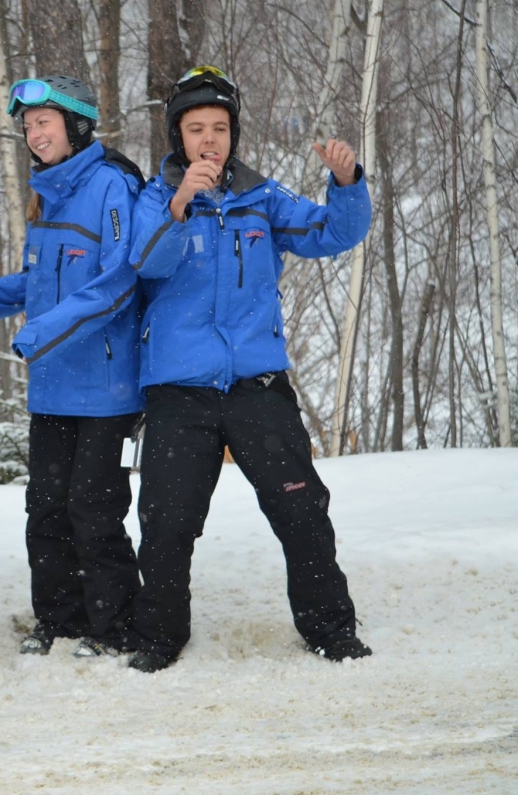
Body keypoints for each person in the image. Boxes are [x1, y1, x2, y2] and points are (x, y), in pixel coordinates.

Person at [125, 66, 373, 673]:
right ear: (176, 138)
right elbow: (144, 263)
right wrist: (182, 204)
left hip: (258, 388)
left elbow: (333, 231)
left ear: (233, 134)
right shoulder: (154, 199)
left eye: (219, 128)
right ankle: (159, 639)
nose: (208, 140)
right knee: (167, 523)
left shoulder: (262, 197)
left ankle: (331, 630)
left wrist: (347, 181)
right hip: (179, 393)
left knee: (301, 511)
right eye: (195, 129)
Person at [0, 76, 146, 658]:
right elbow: (37, 283)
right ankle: (60, 621)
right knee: (44, 511)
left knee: (93, 511)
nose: (33, 134)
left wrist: (38, 334)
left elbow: (117, 284)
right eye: (27, 126)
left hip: (106, 389)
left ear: (77, 126)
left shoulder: (112, 186)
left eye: (43, 122)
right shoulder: (47, 193)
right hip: (52, 390)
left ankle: (113, 626)